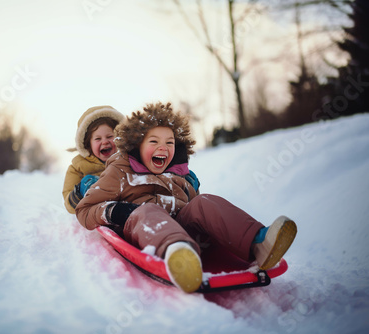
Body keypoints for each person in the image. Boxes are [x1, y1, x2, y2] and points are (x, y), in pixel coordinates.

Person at [75, 102, 297, 293]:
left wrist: (193, 190)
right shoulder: (120, 171)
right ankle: (180, 255)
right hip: (144, 229)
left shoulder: (179, 173)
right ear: (136, 144)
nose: (163, 147)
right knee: (148, 210)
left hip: (183, 226)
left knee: (204, 202)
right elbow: (85, 210)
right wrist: (114, 211)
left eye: (169, 143)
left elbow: (199, 212)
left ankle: (258, 242)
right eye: (153, 142)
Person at [62, 105, 124, 214]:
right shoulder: (78, 166)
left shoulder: (126, 161)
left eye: (110, 136)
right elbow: (68, 202)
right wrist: (79, 193)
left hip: (123, 202)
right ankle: (106, 212)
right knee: (89, 181)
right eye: (98, 139)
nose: (104, 142)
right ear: (88, 144)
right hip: (93, 209)